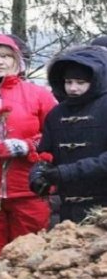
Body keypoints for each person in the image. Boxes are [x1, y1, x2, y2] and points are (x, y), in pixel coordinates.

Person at [0, 34, 57, 259]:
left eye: (6, 56)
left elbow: (56, 135)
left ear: (16, 60)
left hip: (29, 190)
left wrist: (28, 146)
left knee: (30, 258)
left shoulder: (39, 95)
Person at [30, 45, 107, 223]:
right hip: (68, 209)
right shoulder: (56, 114)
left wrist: (67, 172)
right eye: (68, 82)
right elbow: (46, 155)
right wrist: (38, 175)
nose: (73, 88)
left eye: (81, 83)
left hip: (103, 207)